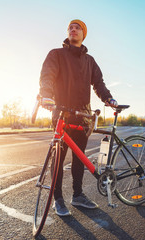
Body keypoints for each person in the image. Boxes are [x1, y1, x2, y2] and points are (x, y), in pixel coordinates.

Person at [39, 19, 118, 216]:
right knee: (58, 159)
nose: (73, 30)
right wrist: (46, 94)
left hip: (83, 117)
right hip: (62, 116)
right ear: (68, 33)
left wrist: (108, 98)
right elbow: (47, 75)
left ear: (83, 35)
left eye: (78, 28)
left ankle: (78, 195)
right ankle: (57, 198)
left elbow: (98, 83)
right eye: (71, 27)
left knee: (79, 160)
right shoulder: (56, 54)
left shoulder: (89, 61)